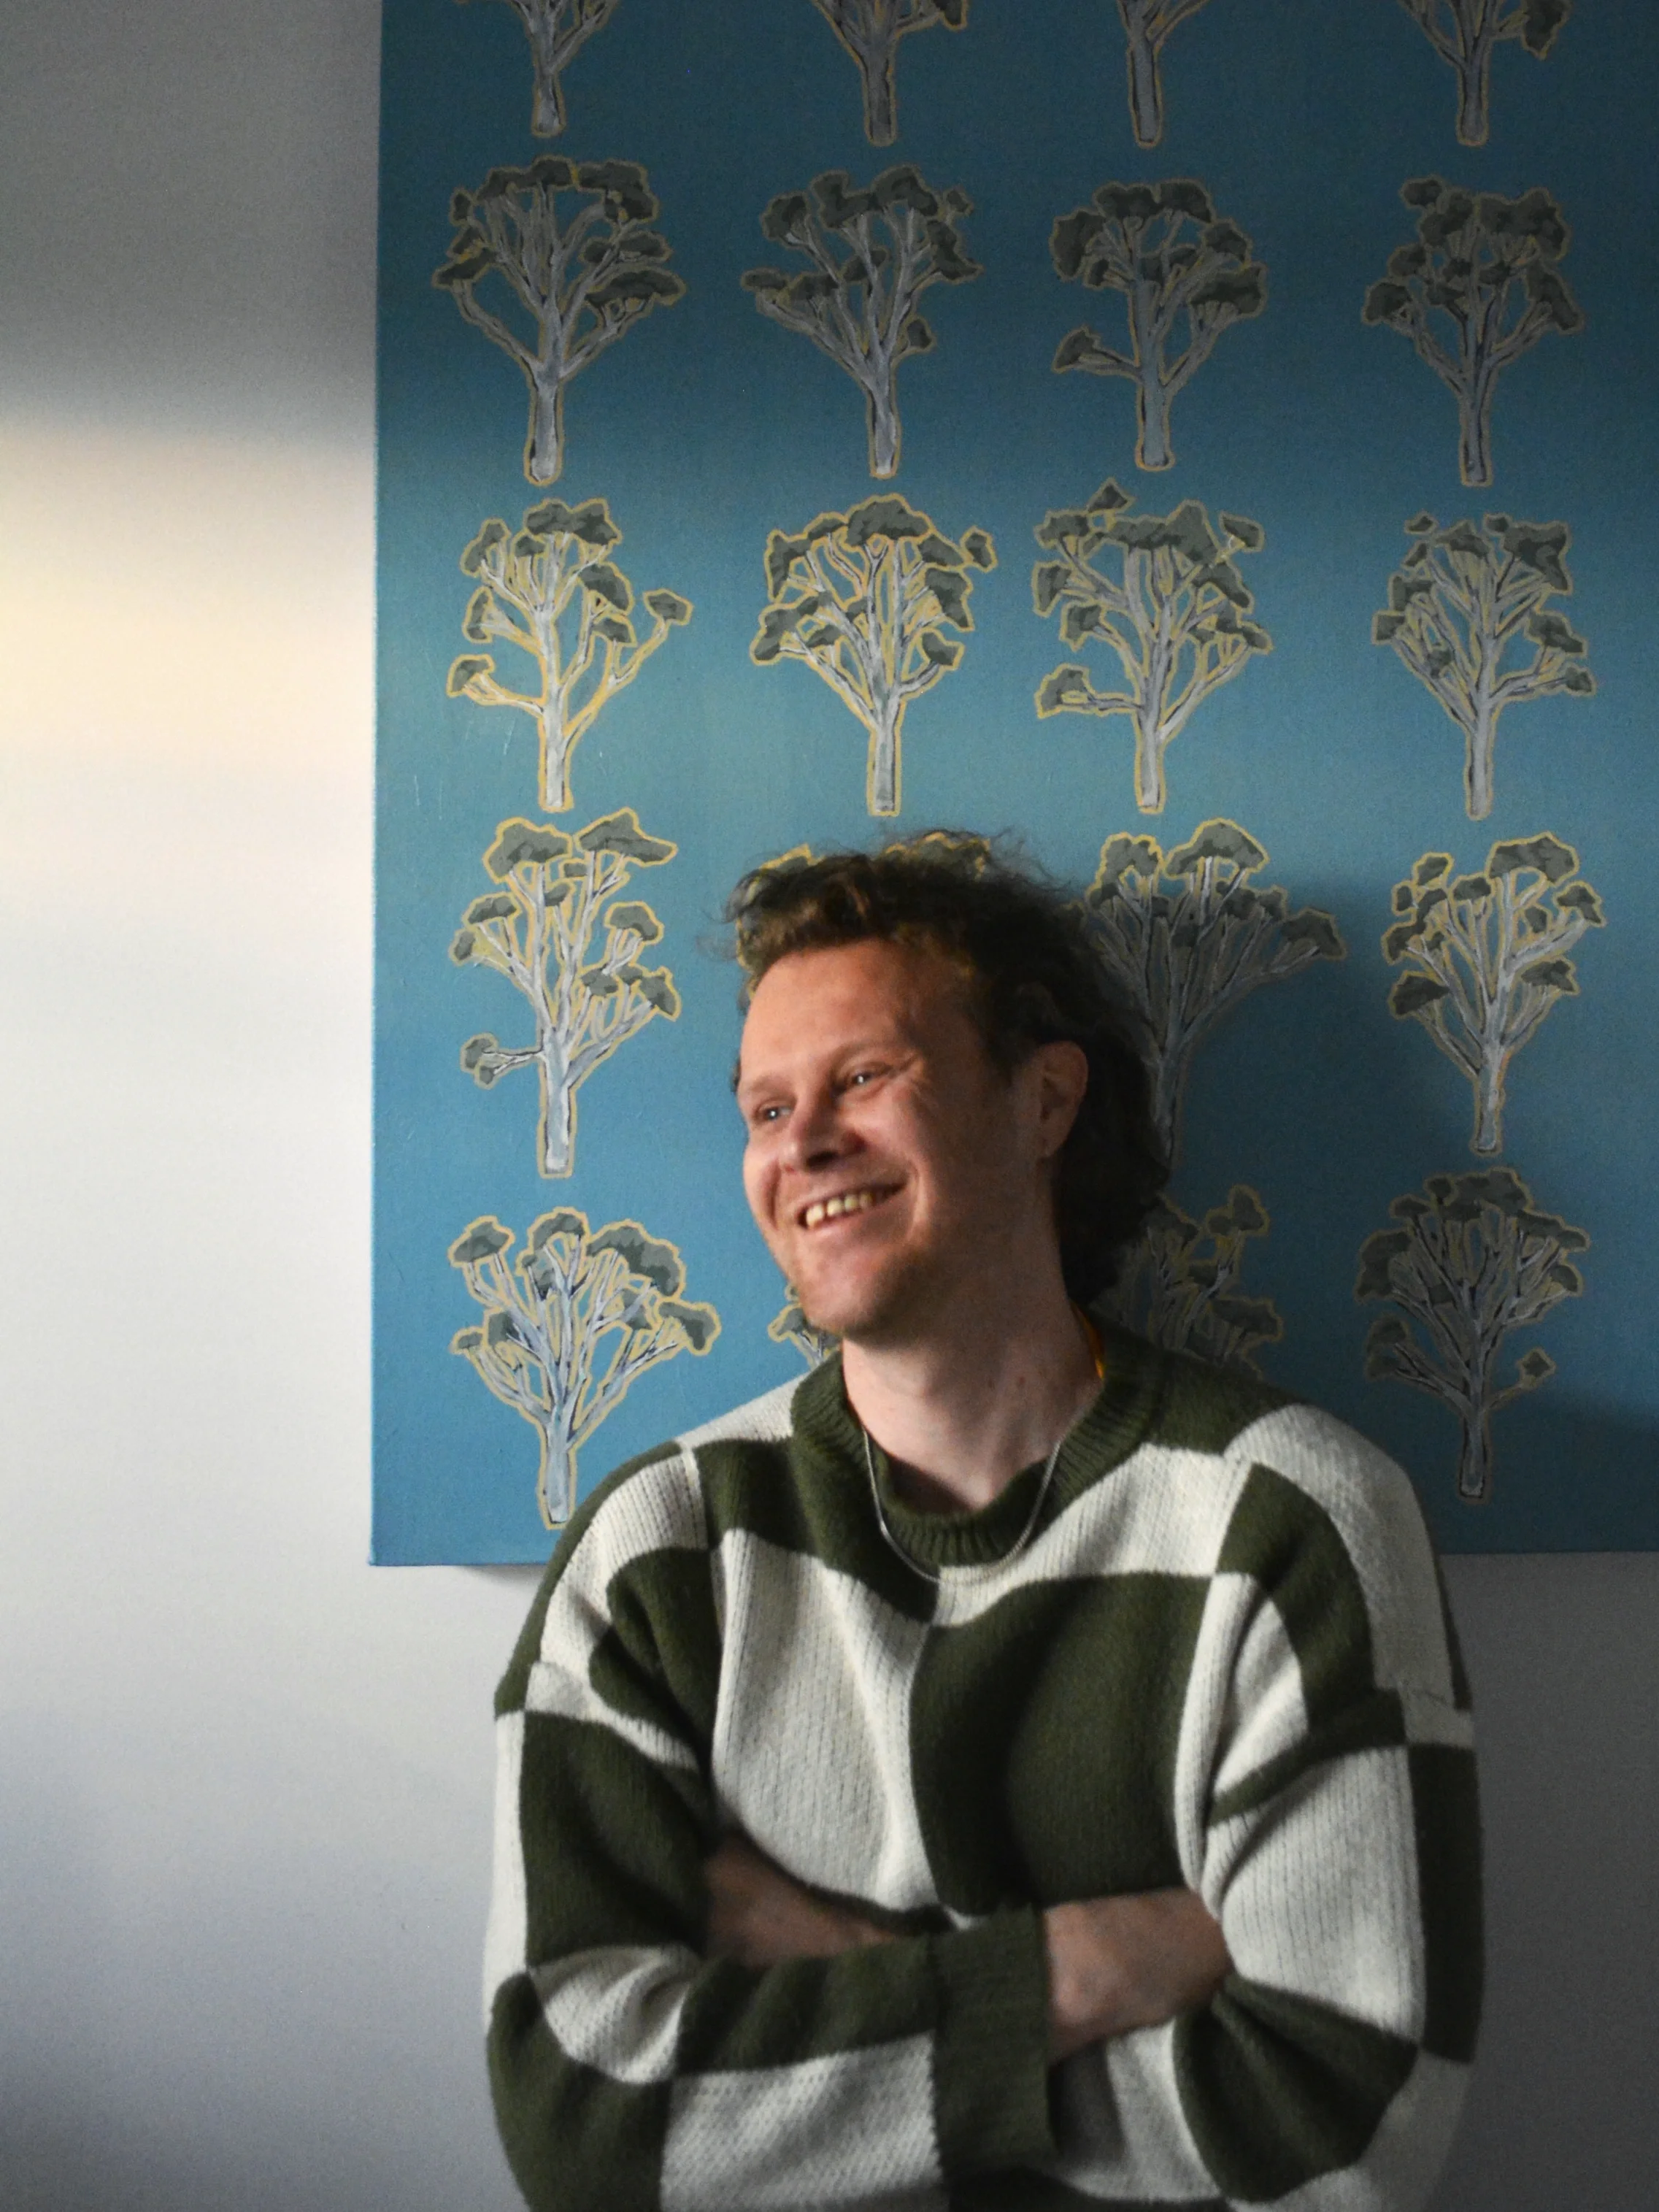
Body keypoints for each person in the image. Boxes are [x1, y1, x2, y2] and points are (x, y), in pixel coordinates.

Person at [483, 832, 1482, 2212]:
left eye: (864, 1077)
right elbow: (583, 2124)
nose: (806, 1141)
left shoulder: (1289, 1519)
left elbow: (1339, 2123)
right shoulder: (655, 1552)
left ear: (1045, 1103)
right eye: (765, 1109)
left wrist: (834, 1977)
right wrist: (1077, 1969)